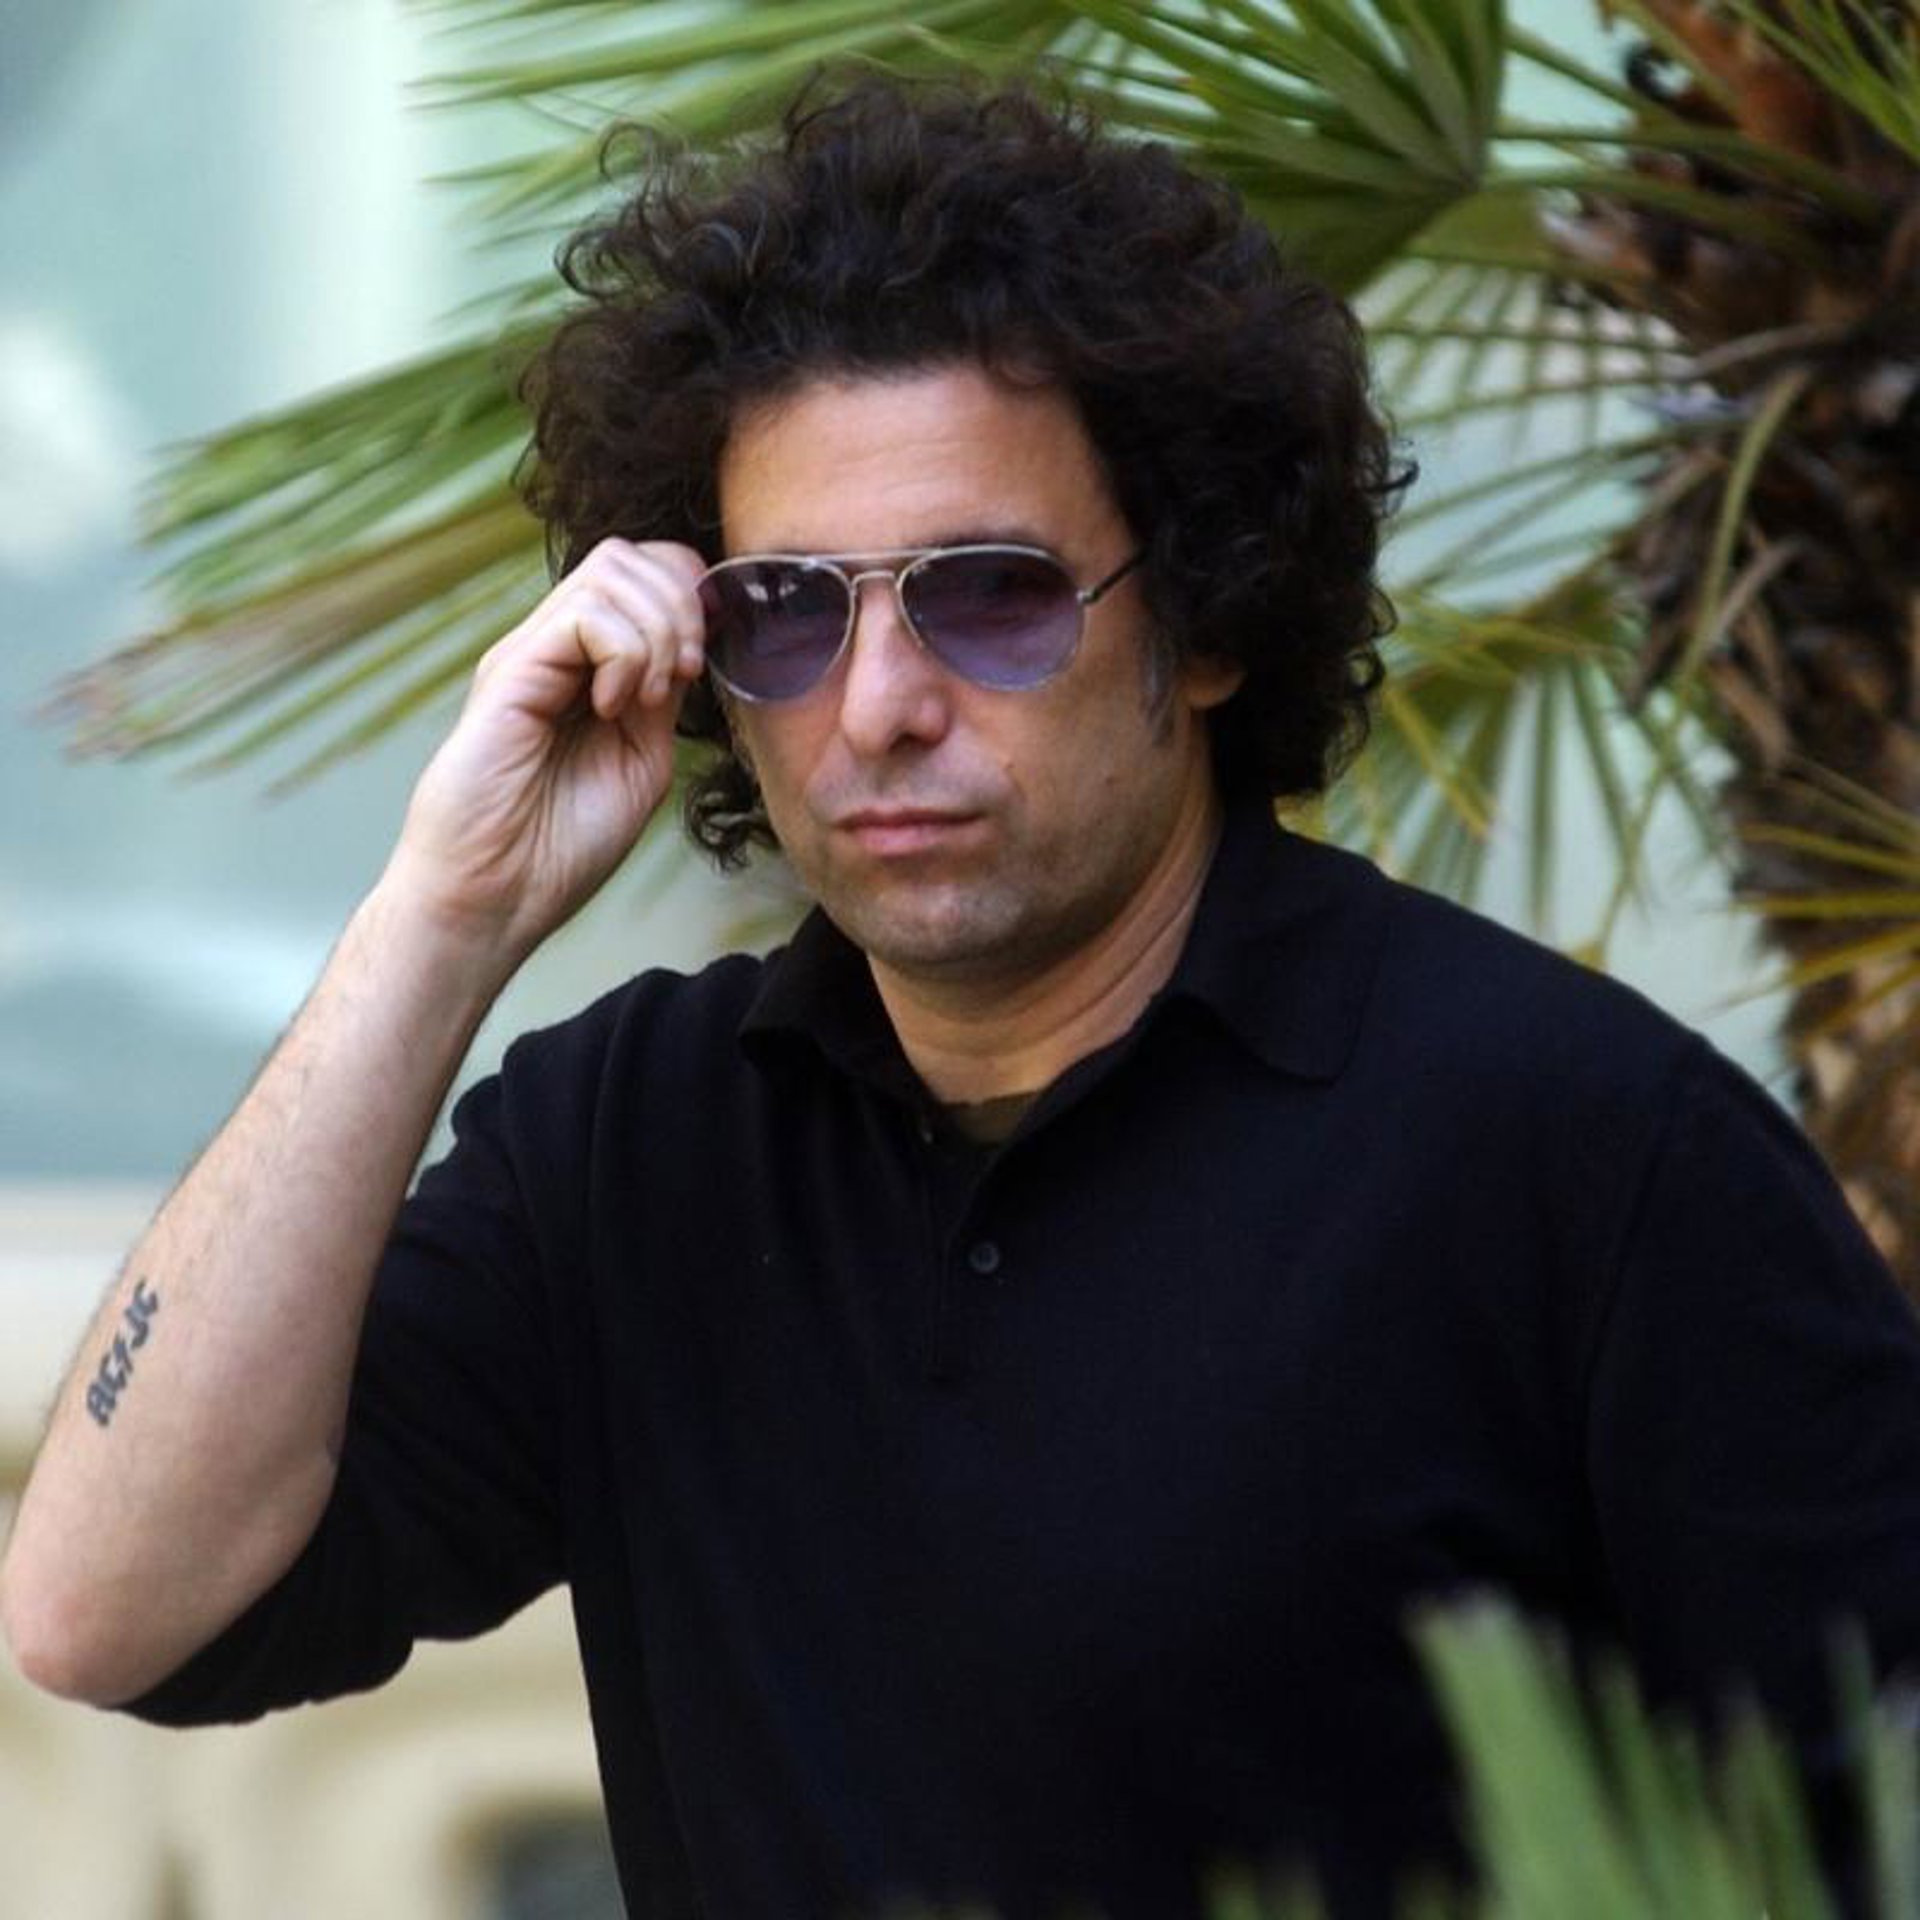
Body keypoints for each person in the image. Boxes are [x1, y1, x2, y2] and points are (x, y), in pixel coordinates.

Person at [5, 75, 1920, 1920]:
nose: (880, 703)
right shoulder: (631, 1143)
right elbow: (103, 1613)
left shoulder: (1585, 1154)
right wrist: (442, 913)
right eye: (785, 613)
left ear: (1206, 616)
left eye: (988, 595)